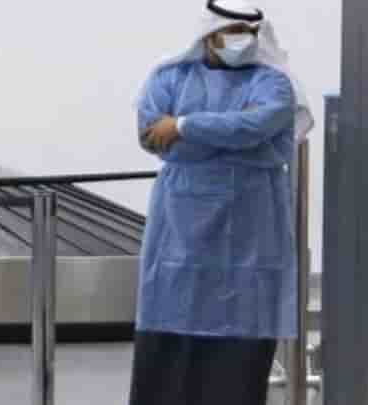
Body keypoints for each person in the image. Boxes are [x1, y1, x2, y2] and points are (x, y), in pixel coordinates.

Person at [129, 1, 314, 404]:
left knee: (238, 361)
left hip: (252, 229)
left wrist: (182, 125)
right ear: (209, 34)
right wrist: (235, 137)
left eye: (249, 33)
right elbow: (151, 135)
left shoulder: (274, 83)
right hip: (180, 233)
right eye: (233, 32)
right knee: (171, 349)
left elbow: (258, 125)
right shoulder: (168, 77)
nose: (242, 41)